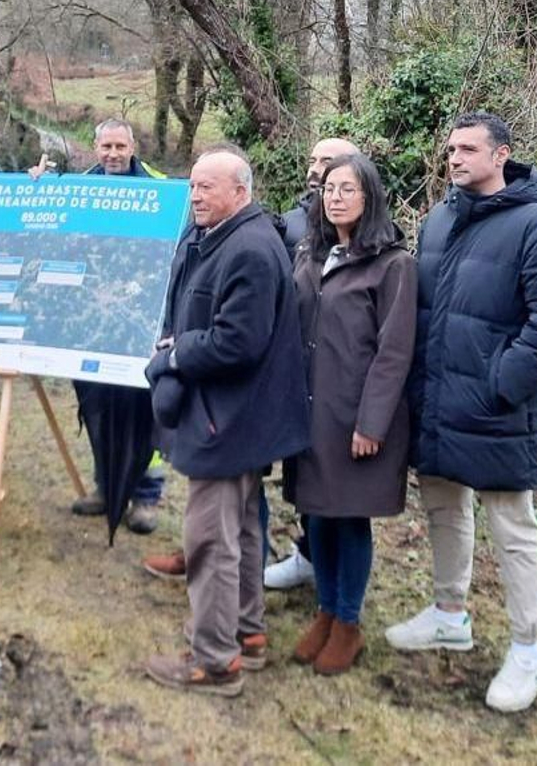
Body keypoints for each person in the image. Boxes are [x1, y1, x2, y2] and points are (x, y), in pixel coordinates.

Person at [384, 112, 537, 713]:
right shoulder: (440, 219)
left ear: (502, 156)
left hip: (497, 406)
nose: (454, 157)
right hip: (439, 399)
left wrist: (503, 383)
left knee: (513, 526)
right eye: (450, 148)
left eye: (468, 148)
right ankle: (450, 614)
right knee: (444, 505)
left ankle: (528, 651)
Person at [141, 145, 310, 697]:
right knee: (239, 528)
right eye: (192, 186)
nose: (195, 196)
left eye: (206, 187)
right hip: (232, 416)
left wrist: (175, 352)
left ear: (241, 192)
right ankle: (248, 634)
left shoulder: (252, 251)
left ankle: (215, 661)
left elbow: (238, 342)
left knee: (211, 539)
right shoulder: (214, 236)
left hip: (230, 418)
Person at [286, 153, 416, 674]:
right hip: (310, 408)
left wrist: (372, 423)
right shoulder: (311, 255)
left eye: (347, 189)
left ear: (370, 197)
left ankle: (348, 622)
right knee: (316, 510)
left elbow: (395, 350)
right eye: (329, 189)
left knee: (349, 515)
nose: (335, 197)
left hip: (356, 415)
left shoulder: (393, 264)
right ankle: (324, 610)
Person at [51, 119, 169, 535]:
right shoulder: (80, 187)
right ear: (95, 147)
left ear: (133, 146)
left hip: (142, 321)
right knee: (97, 408)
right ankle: (105, 487)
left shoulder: (160, 187)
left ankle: (145, 498)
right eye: (106, 146)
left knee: (144, 411)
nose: (113, 154)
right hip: (92, 322)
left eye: (120, 146)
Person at [266, 136, 361, 590]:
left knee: (338, 492)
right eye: (312, 160)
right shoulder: (290, 224)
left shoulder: (371, 237)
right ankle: (306, 556)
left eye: (327, 161)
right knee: (303, 475)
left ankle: (337, 590)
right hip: (296, 373)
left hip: (340, 386)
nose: (315, 169)